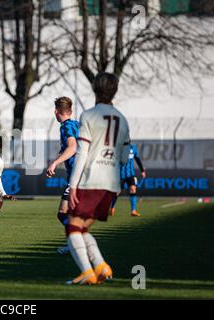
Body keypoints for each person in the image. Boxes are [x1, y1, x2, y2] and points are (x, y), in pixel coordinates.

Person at [67, 72, 131, 285]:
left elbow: (81, 153)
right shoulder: (123, 119)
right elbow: (123, 158)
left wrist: (72, 185)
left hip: (91, 180)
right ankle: (101, 267)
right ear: (115, 91)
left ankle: (87, 272)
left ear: (95, 88)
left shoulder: (88, 115)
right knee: (82, 227)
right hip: (111, 184)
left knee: (72, 226)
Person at [46, 97, 79, 255]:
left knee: (63, 213)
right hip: (84, 174)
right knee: (72, 214)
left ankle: (77, 243)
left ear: (56, 112)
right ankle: (73, 244)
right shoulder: (76, 124)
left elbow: (72, 147)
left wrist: (54, 163)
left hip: (76, 177)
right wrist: (58, 160)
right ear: (70, 111)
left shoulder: (65, 126)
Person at [110, 144, 146, 217]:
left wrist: (142, 170)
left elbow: (137, 158)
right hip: (120, 175)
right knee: (117, 192)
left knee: (133, 189)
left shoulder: (133, 148)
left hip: (131, 174)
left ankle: (133, 211)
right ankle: (112, 207)